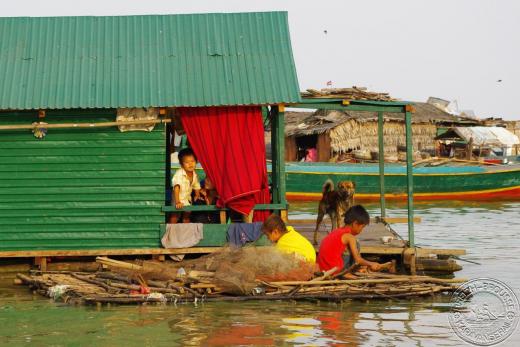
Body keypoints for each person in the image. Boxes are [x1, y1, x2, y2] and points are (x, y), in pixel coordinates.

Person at [317, 205, 382, 277]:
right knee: (356, 244)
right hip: (334, 271)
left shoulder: (337, 231)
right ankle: (346, 272)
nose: (361, 230)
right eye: (362, 227)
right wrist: (371, 263)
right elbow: (358, 260)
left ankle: (357, 269)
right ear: (355, 224)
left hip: (323, 268)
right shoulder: (349, 237)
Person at [170, 148, 201, 223]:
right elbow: (176, 188)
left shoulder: (194, 174)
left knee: (187, 216)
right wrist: (177, 202)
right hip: (177, 199)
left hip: (187, 199)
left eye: (192, 161)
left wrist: (197, 194)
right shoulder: (179, 174)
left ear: (196, 162)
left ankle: (186, 231)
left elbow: (196, 185)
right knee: (175, 216)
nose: (190, 164)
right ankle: (170, 232)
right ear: (181, 164)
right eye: (187, 162)